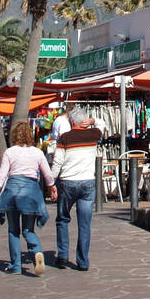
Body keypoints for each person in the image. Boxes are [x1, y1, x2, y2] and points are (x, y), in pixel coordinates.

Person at [0, 122, 57, 275]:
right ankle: (37, 251)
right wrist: (52, 187)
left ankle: (15, 265)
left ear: (14, 136)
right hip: (30, 192)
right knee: (28, 229)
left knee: (13, 230)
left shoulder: (10, 152)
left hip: (12, 191)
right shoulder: (37, 153)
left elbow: (2, 174)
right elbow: (47, 174)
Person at [52, 107, 100, 271]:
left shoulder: (64, 138)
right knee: (85, 224)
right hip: (87, 182)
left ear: (71, 122)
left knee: (63, 219)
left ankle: (63, 256)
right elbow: (103, 124)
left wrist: (51, 182)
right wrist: (93, 121)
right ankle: (83, 261)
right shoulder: (94, 135)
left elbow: (58, 161)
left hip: (68, 182)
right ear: (84, 121)